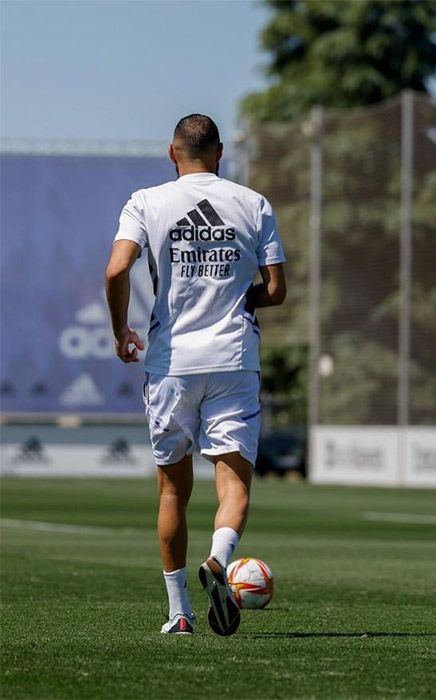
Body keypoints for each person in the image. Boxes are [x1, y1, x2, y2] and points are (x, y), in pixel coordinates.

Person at [105, 114, 286, 636]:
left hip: (171, 364)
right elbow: (275, 290)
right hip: (233, 359)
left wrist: (122, 331)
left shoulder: (146, 202)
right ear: (220, 152)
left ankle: (178, 613)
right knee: (234, 484)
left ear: (172, 153)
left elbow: (117, 270)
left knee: (171, 491)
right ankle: (218, 559)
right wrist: (238, 301)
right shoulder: (253, 203)